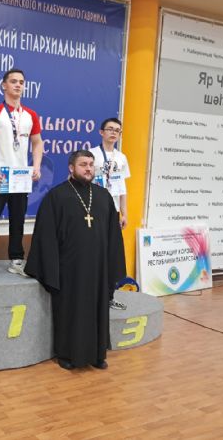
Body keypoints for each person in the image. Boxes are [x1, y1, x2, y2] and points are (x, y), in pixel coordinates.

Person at [25, 150, 126, 371]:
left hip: (98, 268)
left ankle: (97, 354)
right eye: (83, 164)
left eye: (91, 164)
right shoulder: (57, 196)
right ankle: (67, 354)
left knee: (98, 309)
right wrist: (51, 270)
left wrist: (113, 267)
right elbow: (45, 235)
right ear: (71, 168)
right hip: (69, 268)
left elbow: (113, 236)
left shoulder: (103, 196)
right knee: (70, 311)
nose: (88, 168)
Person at [0, 68, 43, 279]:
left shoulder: (31, 115)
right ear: (4, 85)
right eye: (13, 81)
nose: (18, 85)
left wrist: (36, 166)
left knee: (18, 220)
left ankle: (16, 260)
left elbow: (37, 142)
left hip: (20, 177)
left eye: (21, 82)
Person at [91, 117, 130, 310]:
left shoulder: (121, 158)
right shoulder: (92, 154)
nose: (114, 133)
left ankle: (109, 296)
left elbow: (122, 187)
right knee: (93, 252)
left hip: (112, 211)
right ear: (101, 132)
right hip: (93, 210)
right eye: (110, 129)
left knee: (111, 254)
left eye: (117, 130)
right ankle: (90, 295)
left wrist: (124, 213)